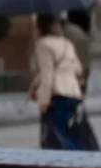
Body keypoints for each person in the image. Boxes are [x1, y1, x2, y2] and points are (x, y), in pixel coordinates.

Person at [30, 14, 98, 150]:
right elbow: (78, 69)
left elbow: (47, 73)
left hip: (58, 95)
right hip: (74, 94)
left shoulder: (43, 44)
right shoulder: (67, 44)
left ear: (40, 27)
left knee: (56, 138)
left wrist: (43, 99)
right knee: (75, 135)